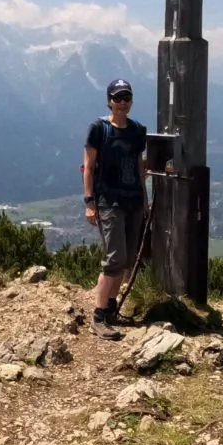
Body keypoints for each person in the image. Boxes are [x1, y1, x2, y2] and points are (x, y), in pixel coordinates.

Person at [84, 77, 147, 329]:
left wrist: (145, 199)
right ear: (109, 101)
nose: (122, 103)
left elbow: (139, 167)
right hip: (109, 202)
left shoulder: (137, 131)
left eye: (126, 98)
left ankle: (111, 309)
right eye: (117, 98)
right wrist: (90, 202)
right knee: (114, 259)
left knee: (127, 258)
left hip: (133, 201)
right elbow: (88, 168)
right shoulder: (99, 129)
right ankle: (99, 315)